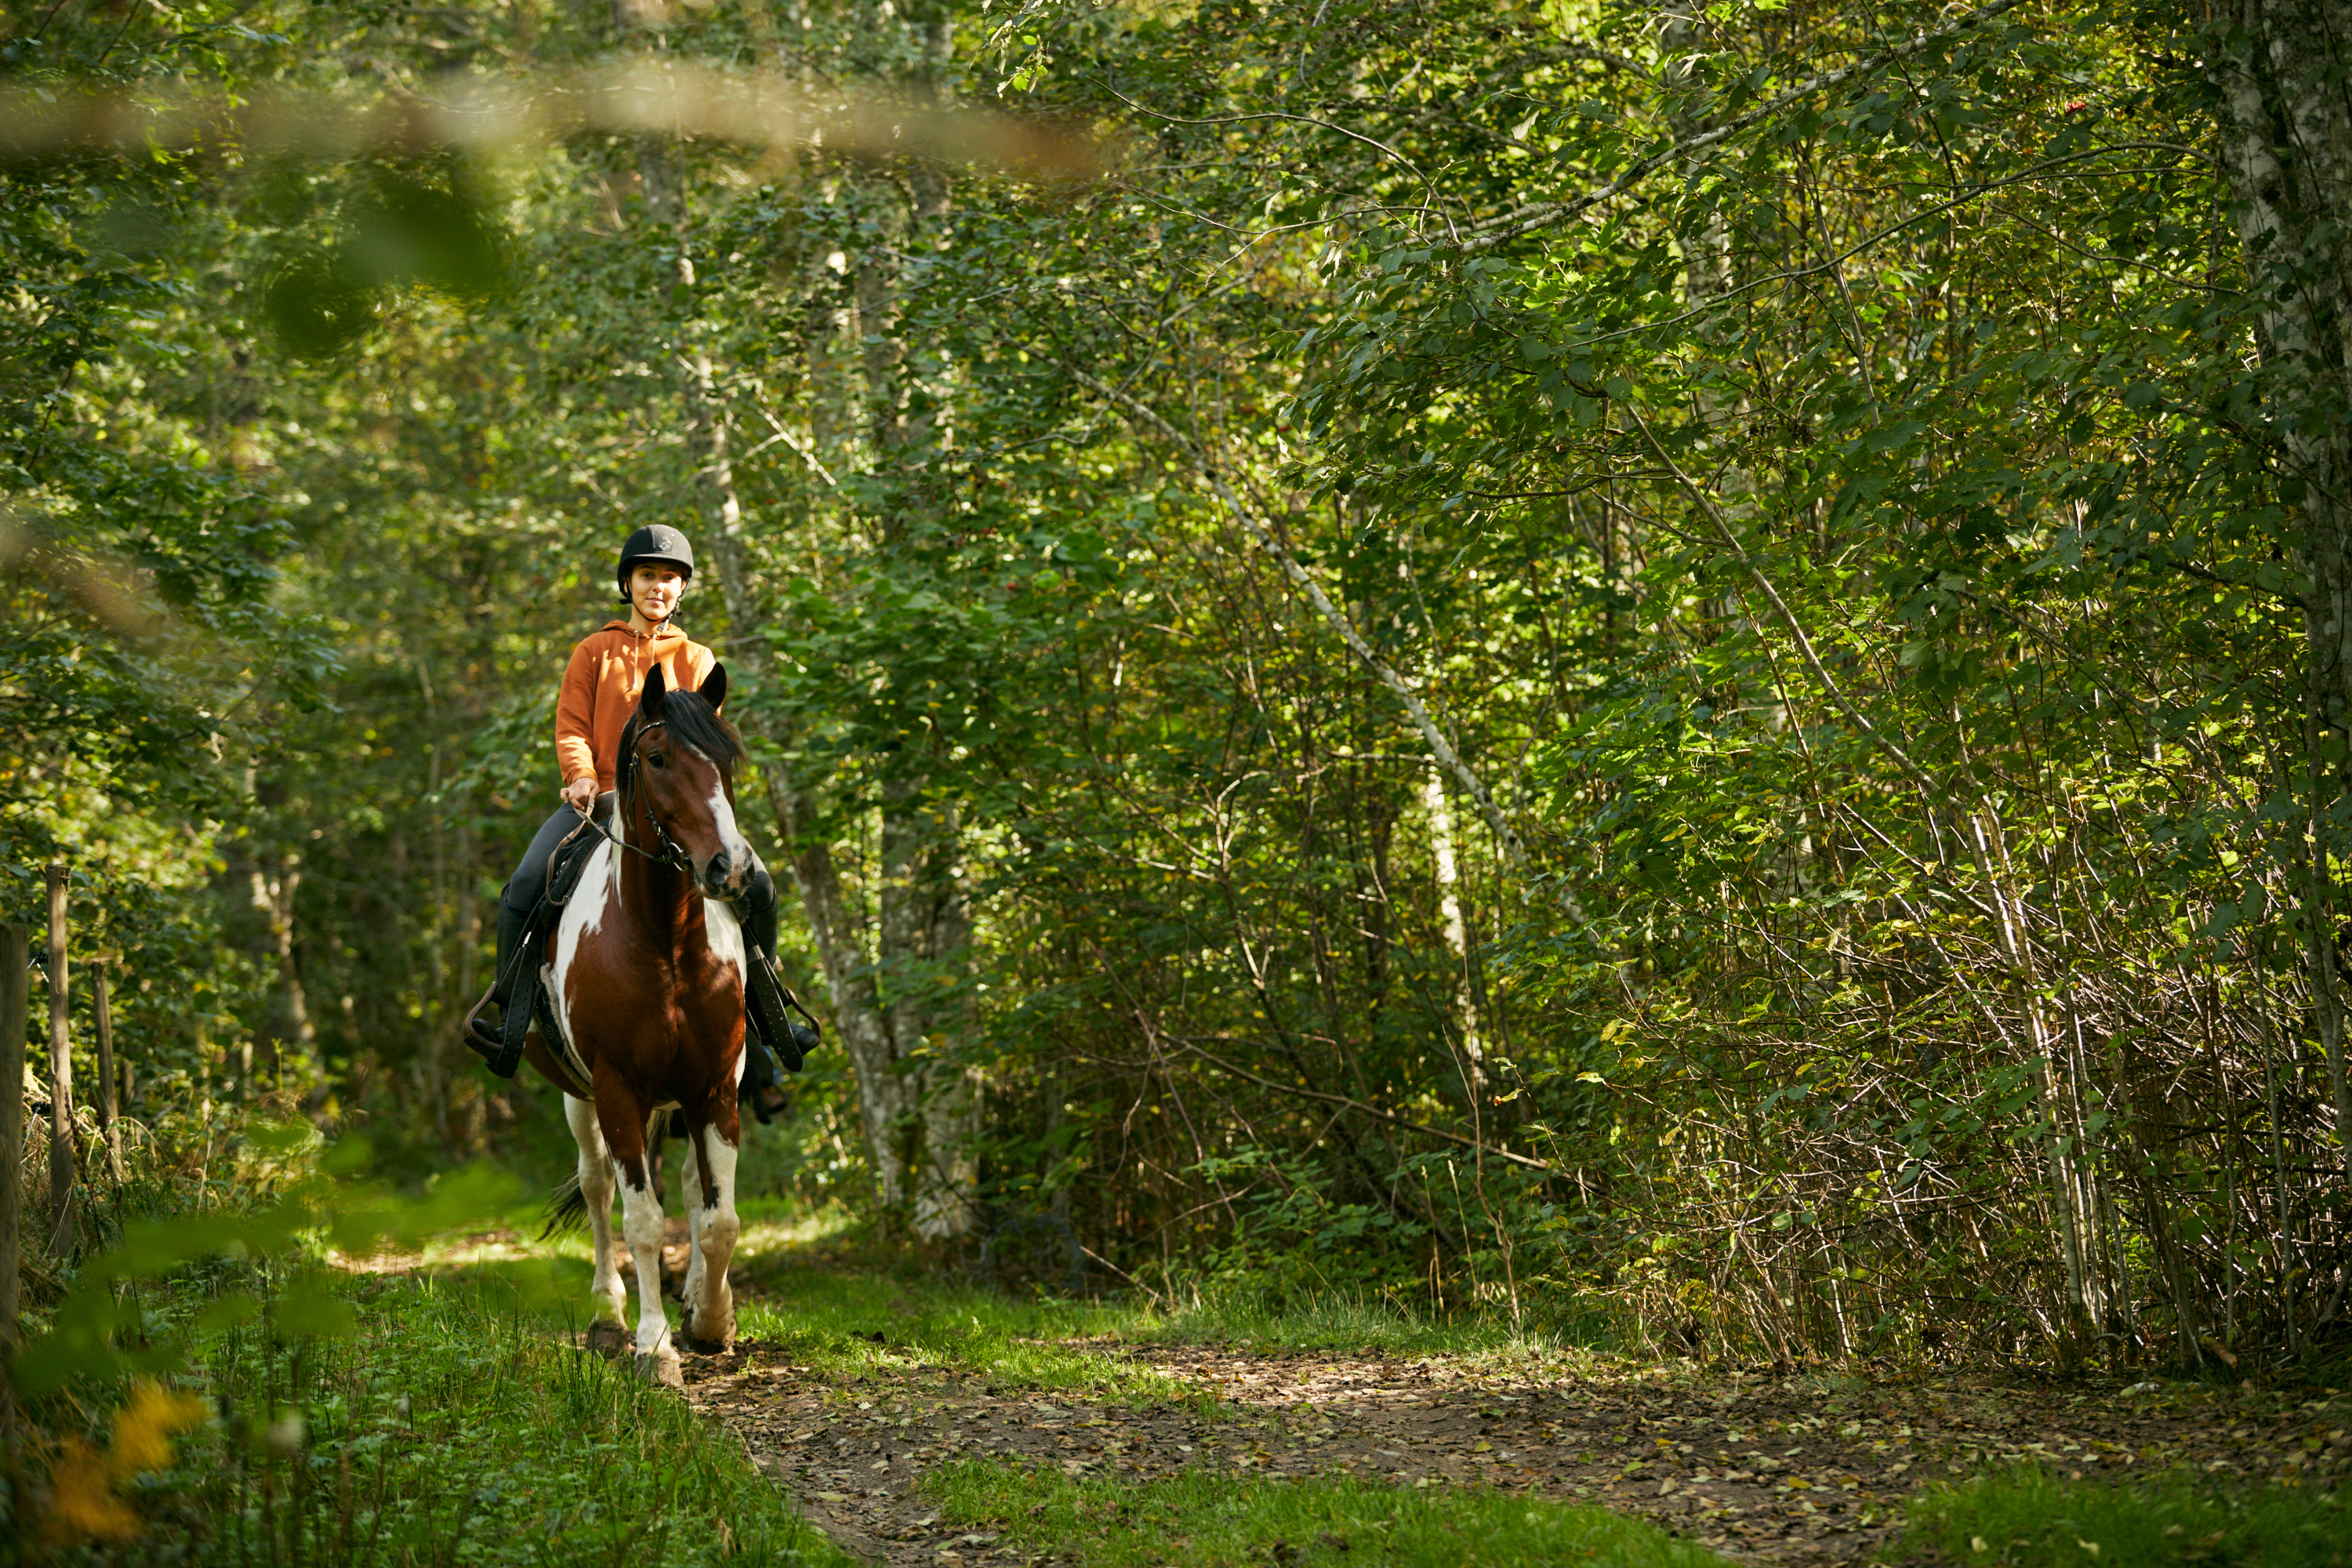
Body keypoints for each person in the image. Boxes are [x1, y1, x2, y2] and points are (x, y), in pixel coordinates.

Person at [463, 524, 801, 1118]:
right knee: (523, 884)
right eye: (648, 575)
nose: (658, 586)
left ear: (682, 589)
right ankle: (511, 1016)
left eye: (669, 577)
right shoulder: (593, 651)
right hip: (601, 803)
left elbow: (705, 747)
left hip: (680, 810)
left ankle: (767, 1021)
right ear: (628, 583)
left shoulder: (698, 660)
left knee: (760, 887)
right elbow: (571, 724)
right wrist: (581, 775)